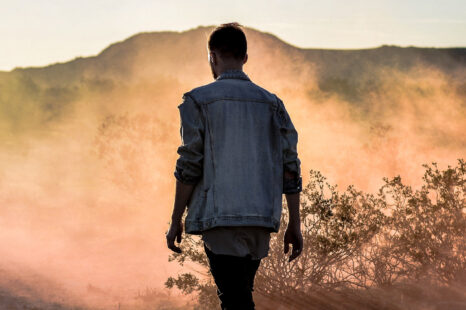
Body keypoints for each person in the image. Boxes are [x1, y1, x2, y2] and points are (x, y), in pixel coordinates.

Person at [166, 22, 303, 310]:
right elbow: (290, 167)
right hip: (260, 220)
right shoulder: (273, 104)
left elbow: (190, 164)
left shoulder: (198, 100)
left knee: (234, 300)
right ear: (245, 57)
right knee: (240, 294)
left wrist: (175, 218)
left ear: (212, 56)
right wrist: (294, 223)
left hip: (221, 219)